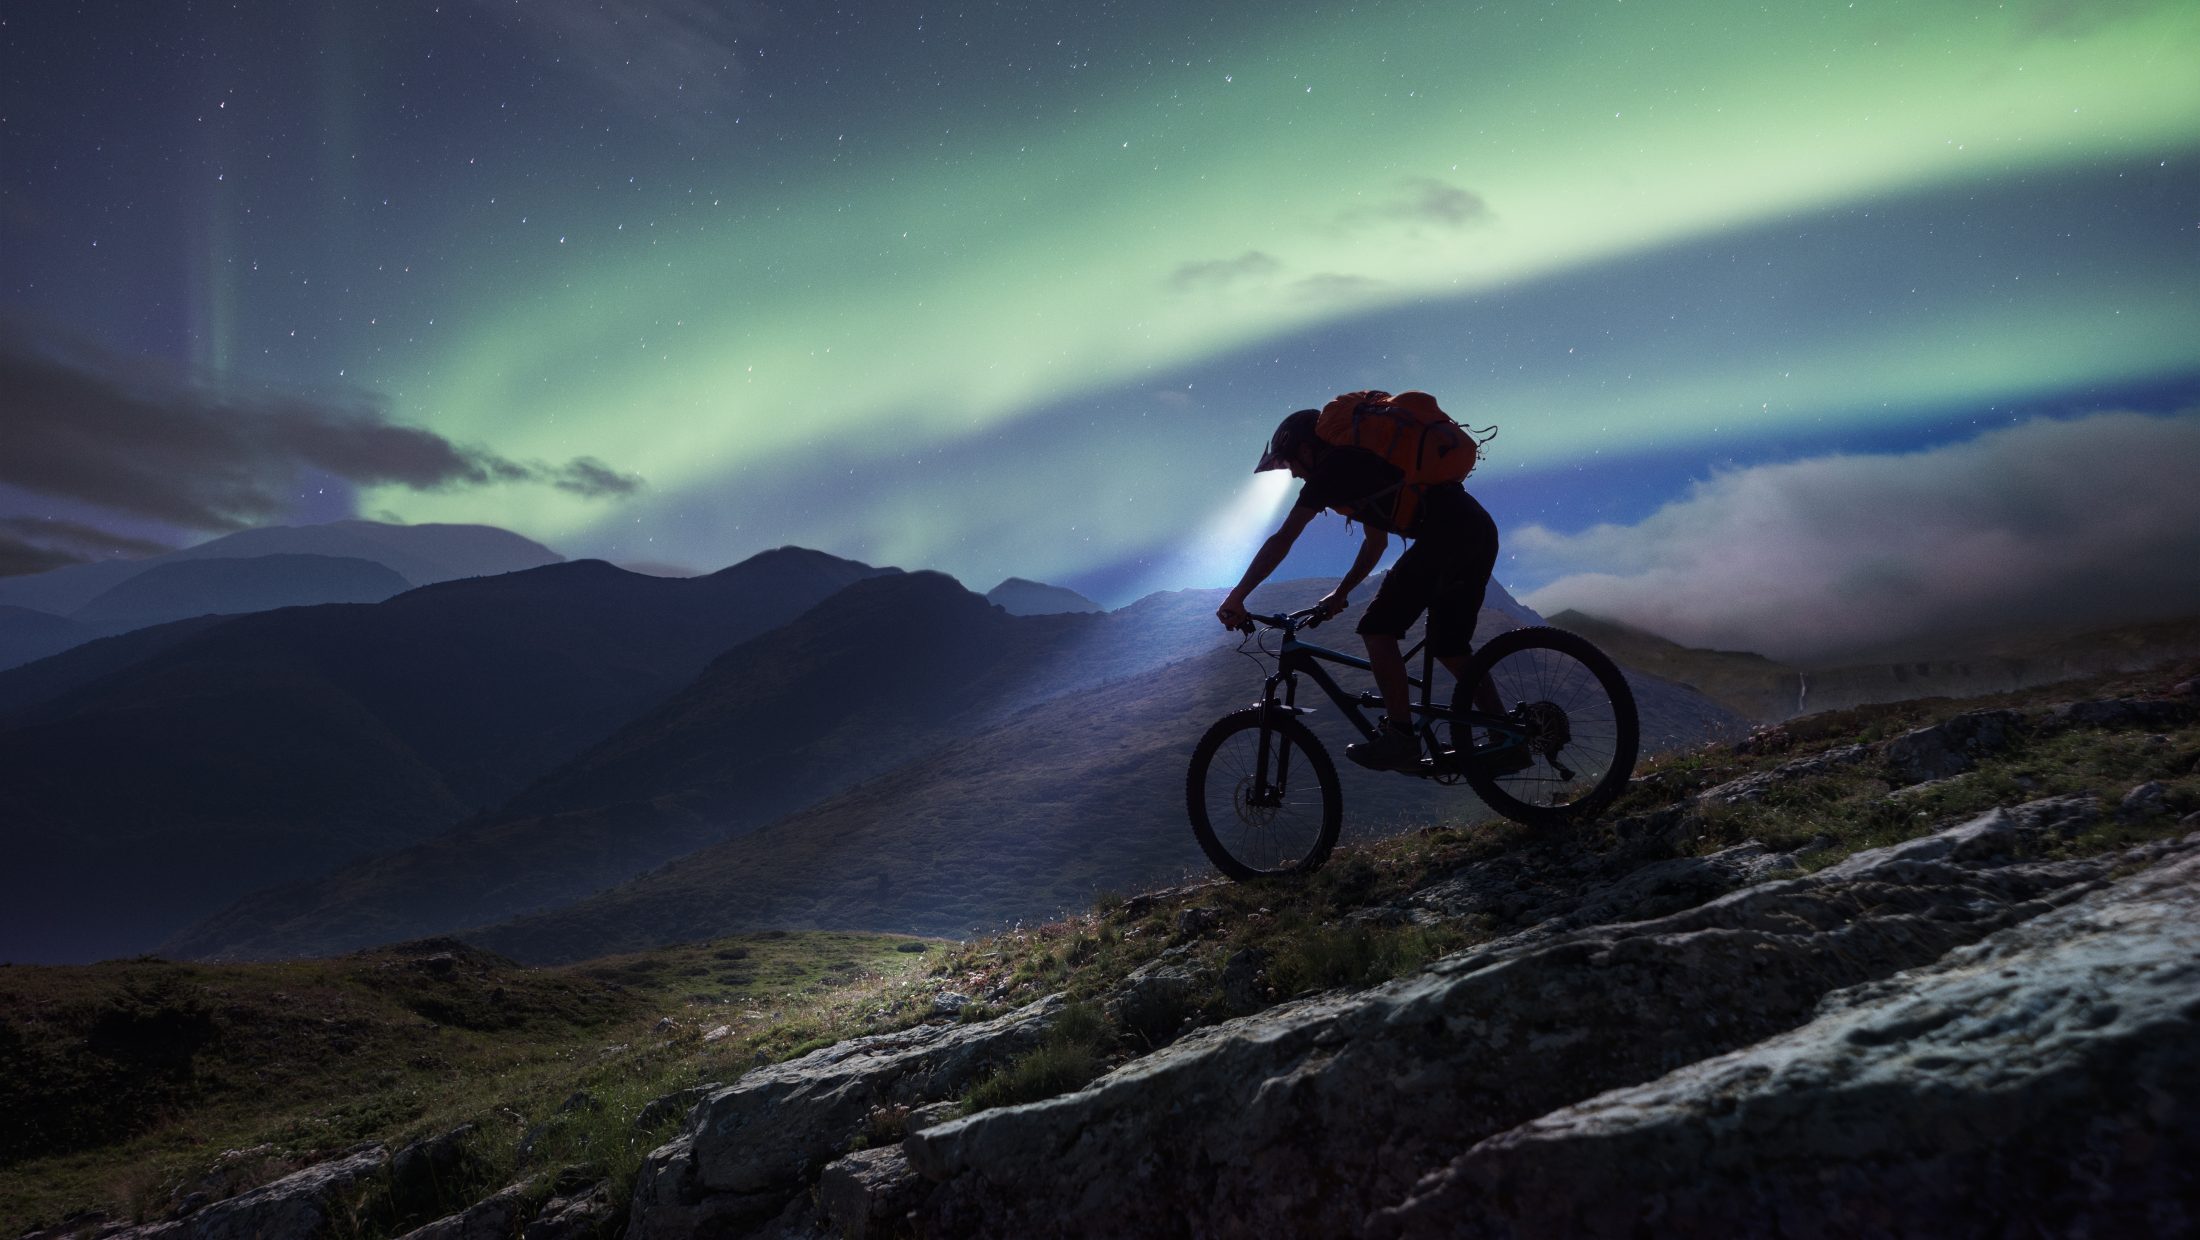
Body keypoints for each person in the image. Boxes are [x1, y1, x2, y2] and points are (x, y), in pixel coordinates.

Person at [1214, 393, 1510, 773]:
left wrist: (1238, 596)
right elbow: (1376, 543)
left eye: (1290, 463)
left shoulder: (1333, 468)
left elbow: (1283, 539)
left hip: (1447, 534)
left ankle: (1401, 738)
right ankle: (1507, 735)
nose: (1292, 473)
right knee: (1450, 646)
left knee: (1377, 629)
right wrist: (1341, 593)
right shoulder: (1365, 466)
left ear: (1308, 447)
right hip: (1475, 530)